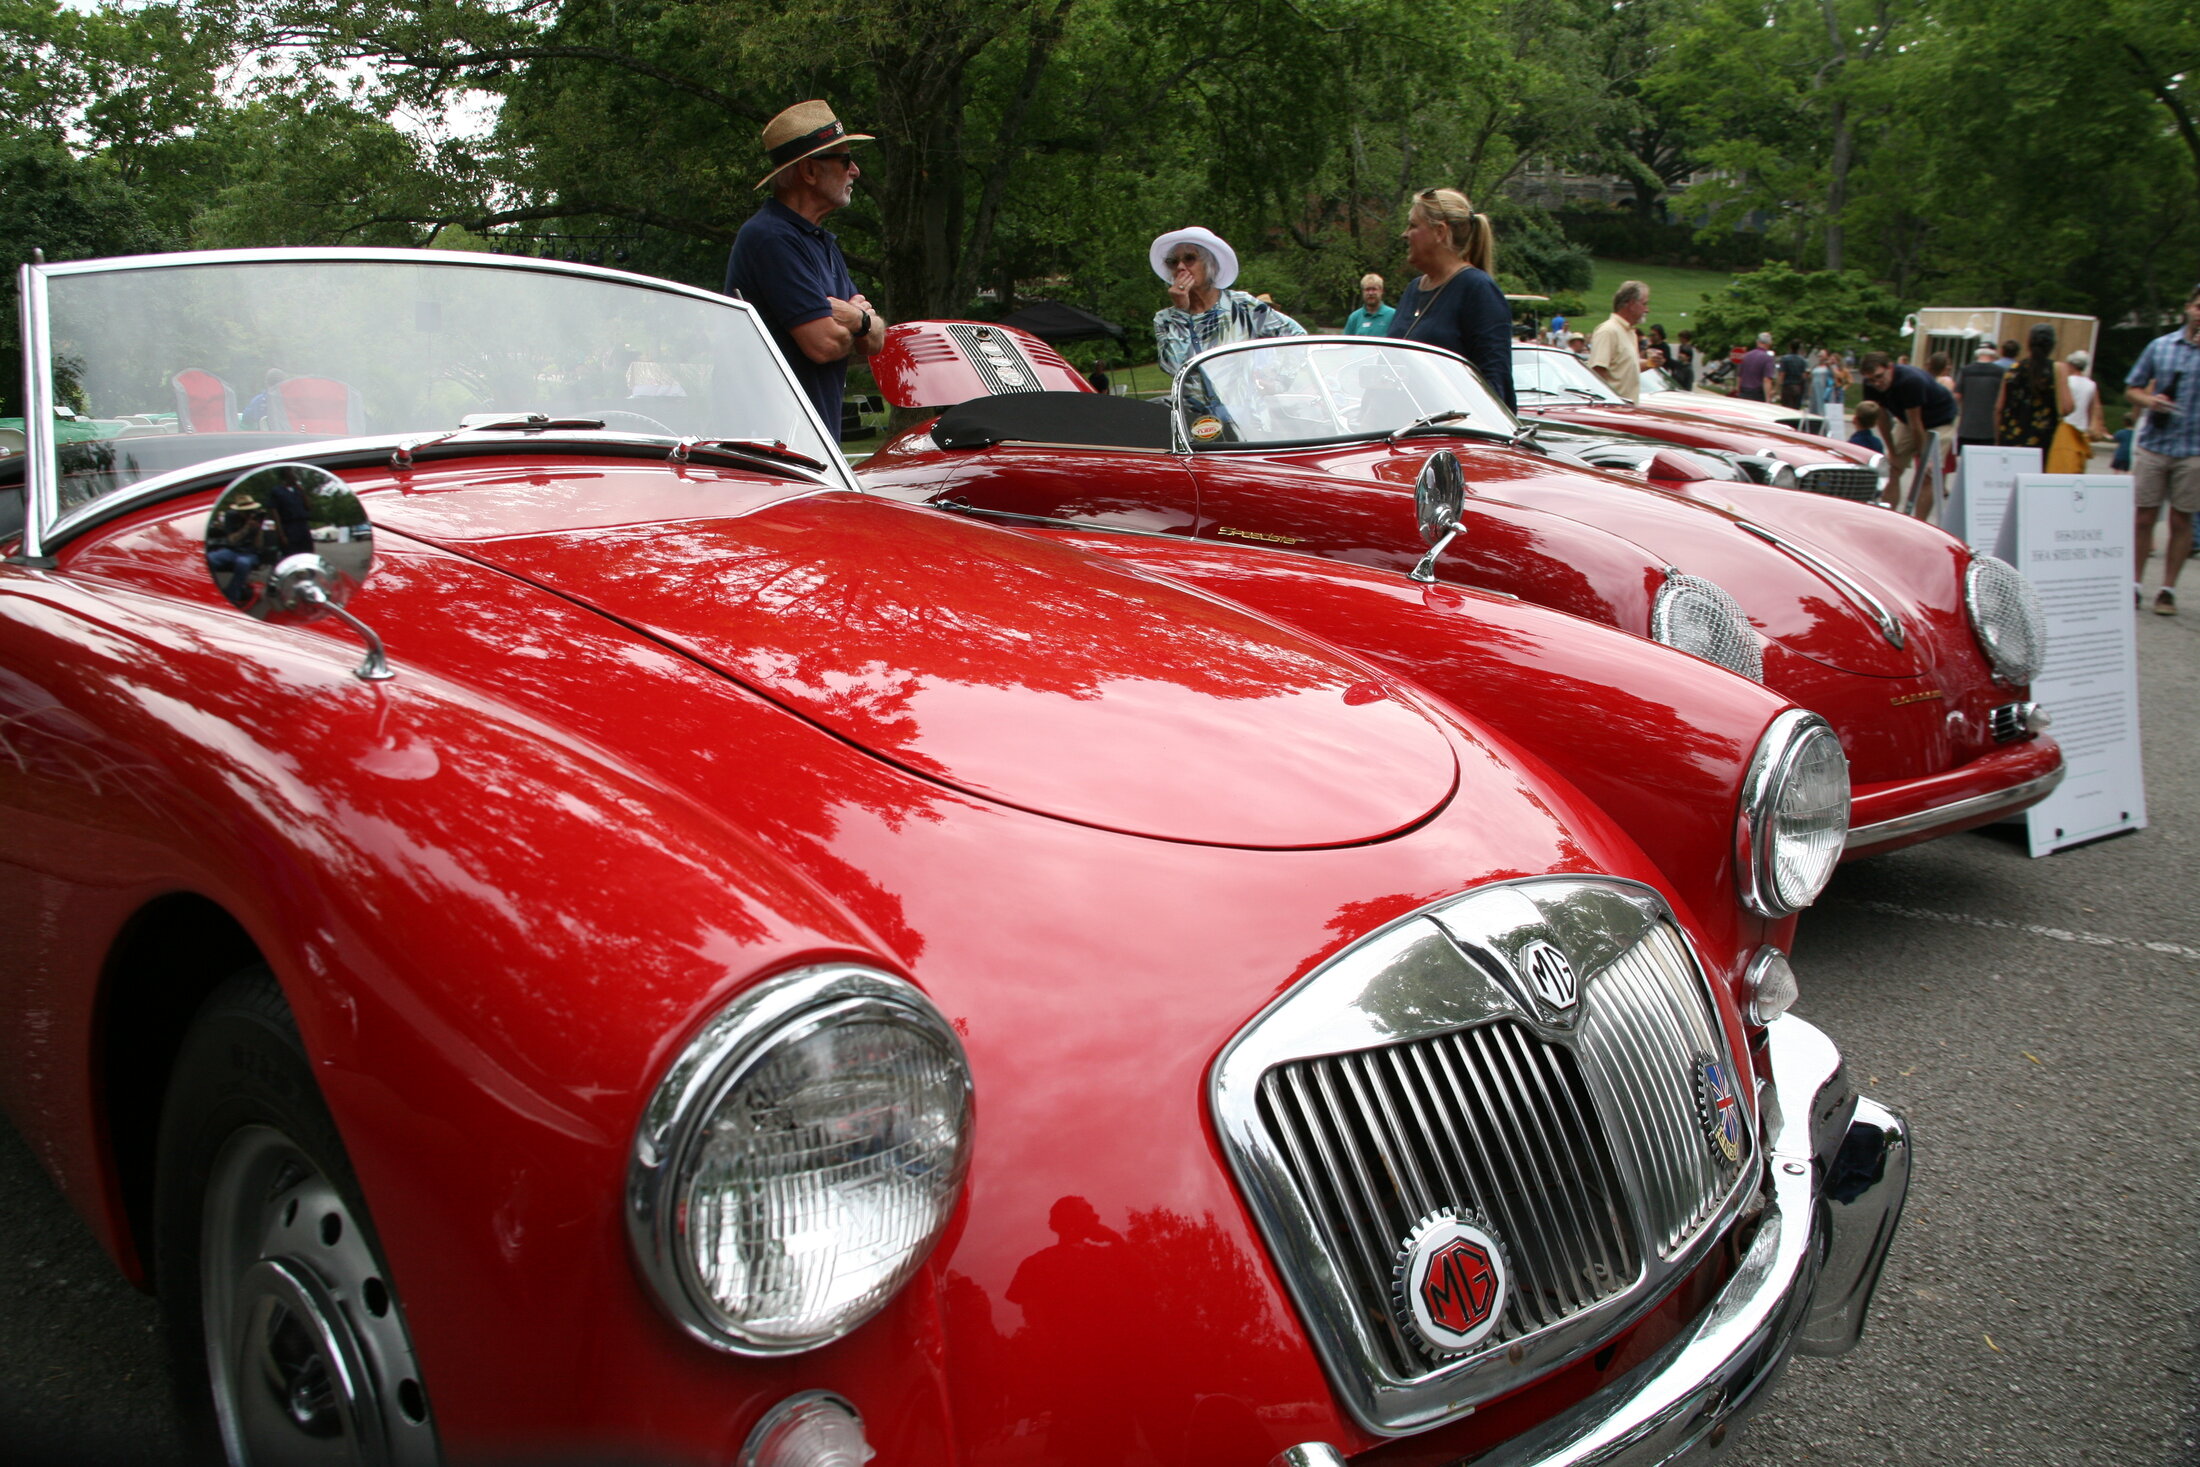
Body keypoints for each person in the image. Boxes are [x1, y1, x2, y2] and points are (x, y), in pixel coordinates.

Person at [724, 100, 886, 438]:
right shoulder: (769, 238)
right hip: (776, 450)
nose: (855, 170)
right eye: (844, 160)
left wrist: (857, 319)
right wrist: (855, 325)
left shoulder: (819, 242)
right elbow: (824, 344)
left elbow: (875, 340)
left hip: (811, 447)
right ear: (809, 172)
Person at [1387, 187, 1515, 411]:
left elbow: (1495, 388)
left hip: (1445, 439)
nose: (1404, 234)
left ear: (1439, 231)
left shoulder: (1478, 289)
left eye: (1413, 225)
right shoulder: (1412, 290)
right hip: (1400, 435)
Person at [2125, 281, 2200, 614]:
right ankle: (2134, 583)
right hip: (2155, 442)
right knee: (2143, 516)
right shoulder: (2160, 346)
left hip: (2194, 447)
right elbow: (2133, 388)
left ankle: (2168, 589)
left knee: (2181, 520)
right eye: (2199, 305)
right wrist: (2148, 401)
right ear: (2188, 307)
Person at [1149, 226, 1304, 377]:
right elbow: (1174, 368)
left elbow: (1297, 337)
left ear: (1212, 266)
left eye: (1189, 258)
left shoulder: (1242, 306)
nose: (1180, 267)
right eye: (1173, 262)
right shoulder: (1165, 319)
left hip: (1243, 403)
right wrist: (1181, 311)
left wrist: (1281, 378)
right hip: (1189, 404)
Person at [1860, 350, 1957, 520]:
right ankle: (1885, 517)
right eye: (1871, 379)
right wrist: (1893, 452)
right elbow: (1882, 419)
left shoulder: (1910, 381)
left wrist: (1924, 457)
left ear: (1889, 367)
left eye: (1879, 376)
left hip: (1939, 419)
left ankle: (1920, 523)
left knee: (1928, 474)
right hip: (1907, 420)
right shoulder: (1870, 385)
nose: (1876, 383)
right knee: (1893, 468)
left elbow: (1916, 423)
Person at [1994, 323, 2060, 451]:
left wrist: (1997, 438)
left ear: (2028, 343)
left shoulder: (2014, 370)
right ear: (2052, 345)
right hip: (2044, 439)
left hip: (2011, 436)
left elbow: (1999, 408)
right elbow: (2068, 407)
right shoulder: (2055, 370)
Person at [1587, 281, 1651, 403]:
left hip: (1628, 410)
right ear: (1632, 304)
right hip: (1613, 411)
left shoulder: (1630, 332)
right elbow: (1597, 374)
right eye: (1644, 304)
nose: (1647, 309)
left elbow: (1622, 368)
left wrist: (1650, 363)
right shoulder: (1608, 331)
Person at [2047, 349, 2105, 473]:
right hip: (2081, 432)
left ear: (2070, 364)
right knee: (2077, 469)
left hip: (2065, 428)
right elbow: (2094, 409)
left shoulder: (2067, 382)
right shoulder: (2091, 385)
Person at [1952, 344, 2005, 448]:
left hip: (1967, 427)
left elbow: (1957, 396)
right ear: (1994, 355)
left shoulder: (1965, 371)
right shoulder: (2000, 372)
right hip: (1989, 429)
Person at [1736, 333, 1777, 401]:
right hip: (1757, 394)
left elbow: (1739, 376)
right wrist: (1768, 399)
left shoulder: (1746, 356)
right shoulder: (1768, 358)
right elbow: (1766, 380)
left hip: (1743, 392)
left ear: (1757, 342)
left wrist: (1738, 391)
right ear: (1769, 344)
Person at [1775, 341, 1810, 410]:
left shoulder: (1785, 359)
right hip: (1798, 387)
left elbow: (1782, 375)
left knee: (1786, 408)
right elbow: (1804, 376)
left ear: (1790, 347)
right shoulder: (1803, 360)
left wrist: (1777, 389)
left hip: (1787, 387)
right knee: (1796, 408)